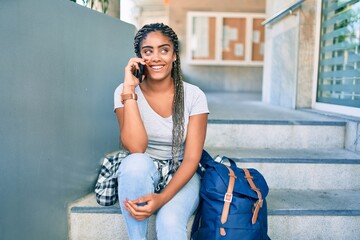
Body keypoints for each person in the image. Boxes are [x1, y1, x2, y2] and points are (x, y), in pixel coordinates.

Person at [113, 23, 209, 240]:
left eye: (164, 50)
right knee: (135, 162)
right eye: (148, 51)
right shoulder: (124, 91)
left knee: (169, 222)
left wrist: (161, 198)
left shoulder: (194, 96)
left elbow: (192, 159)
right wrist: (129, 91)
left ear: (174, 55)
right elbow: (136, 147)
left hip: (181, 171)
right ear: (138, 57)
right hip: (142, 171)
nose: (156, 58)